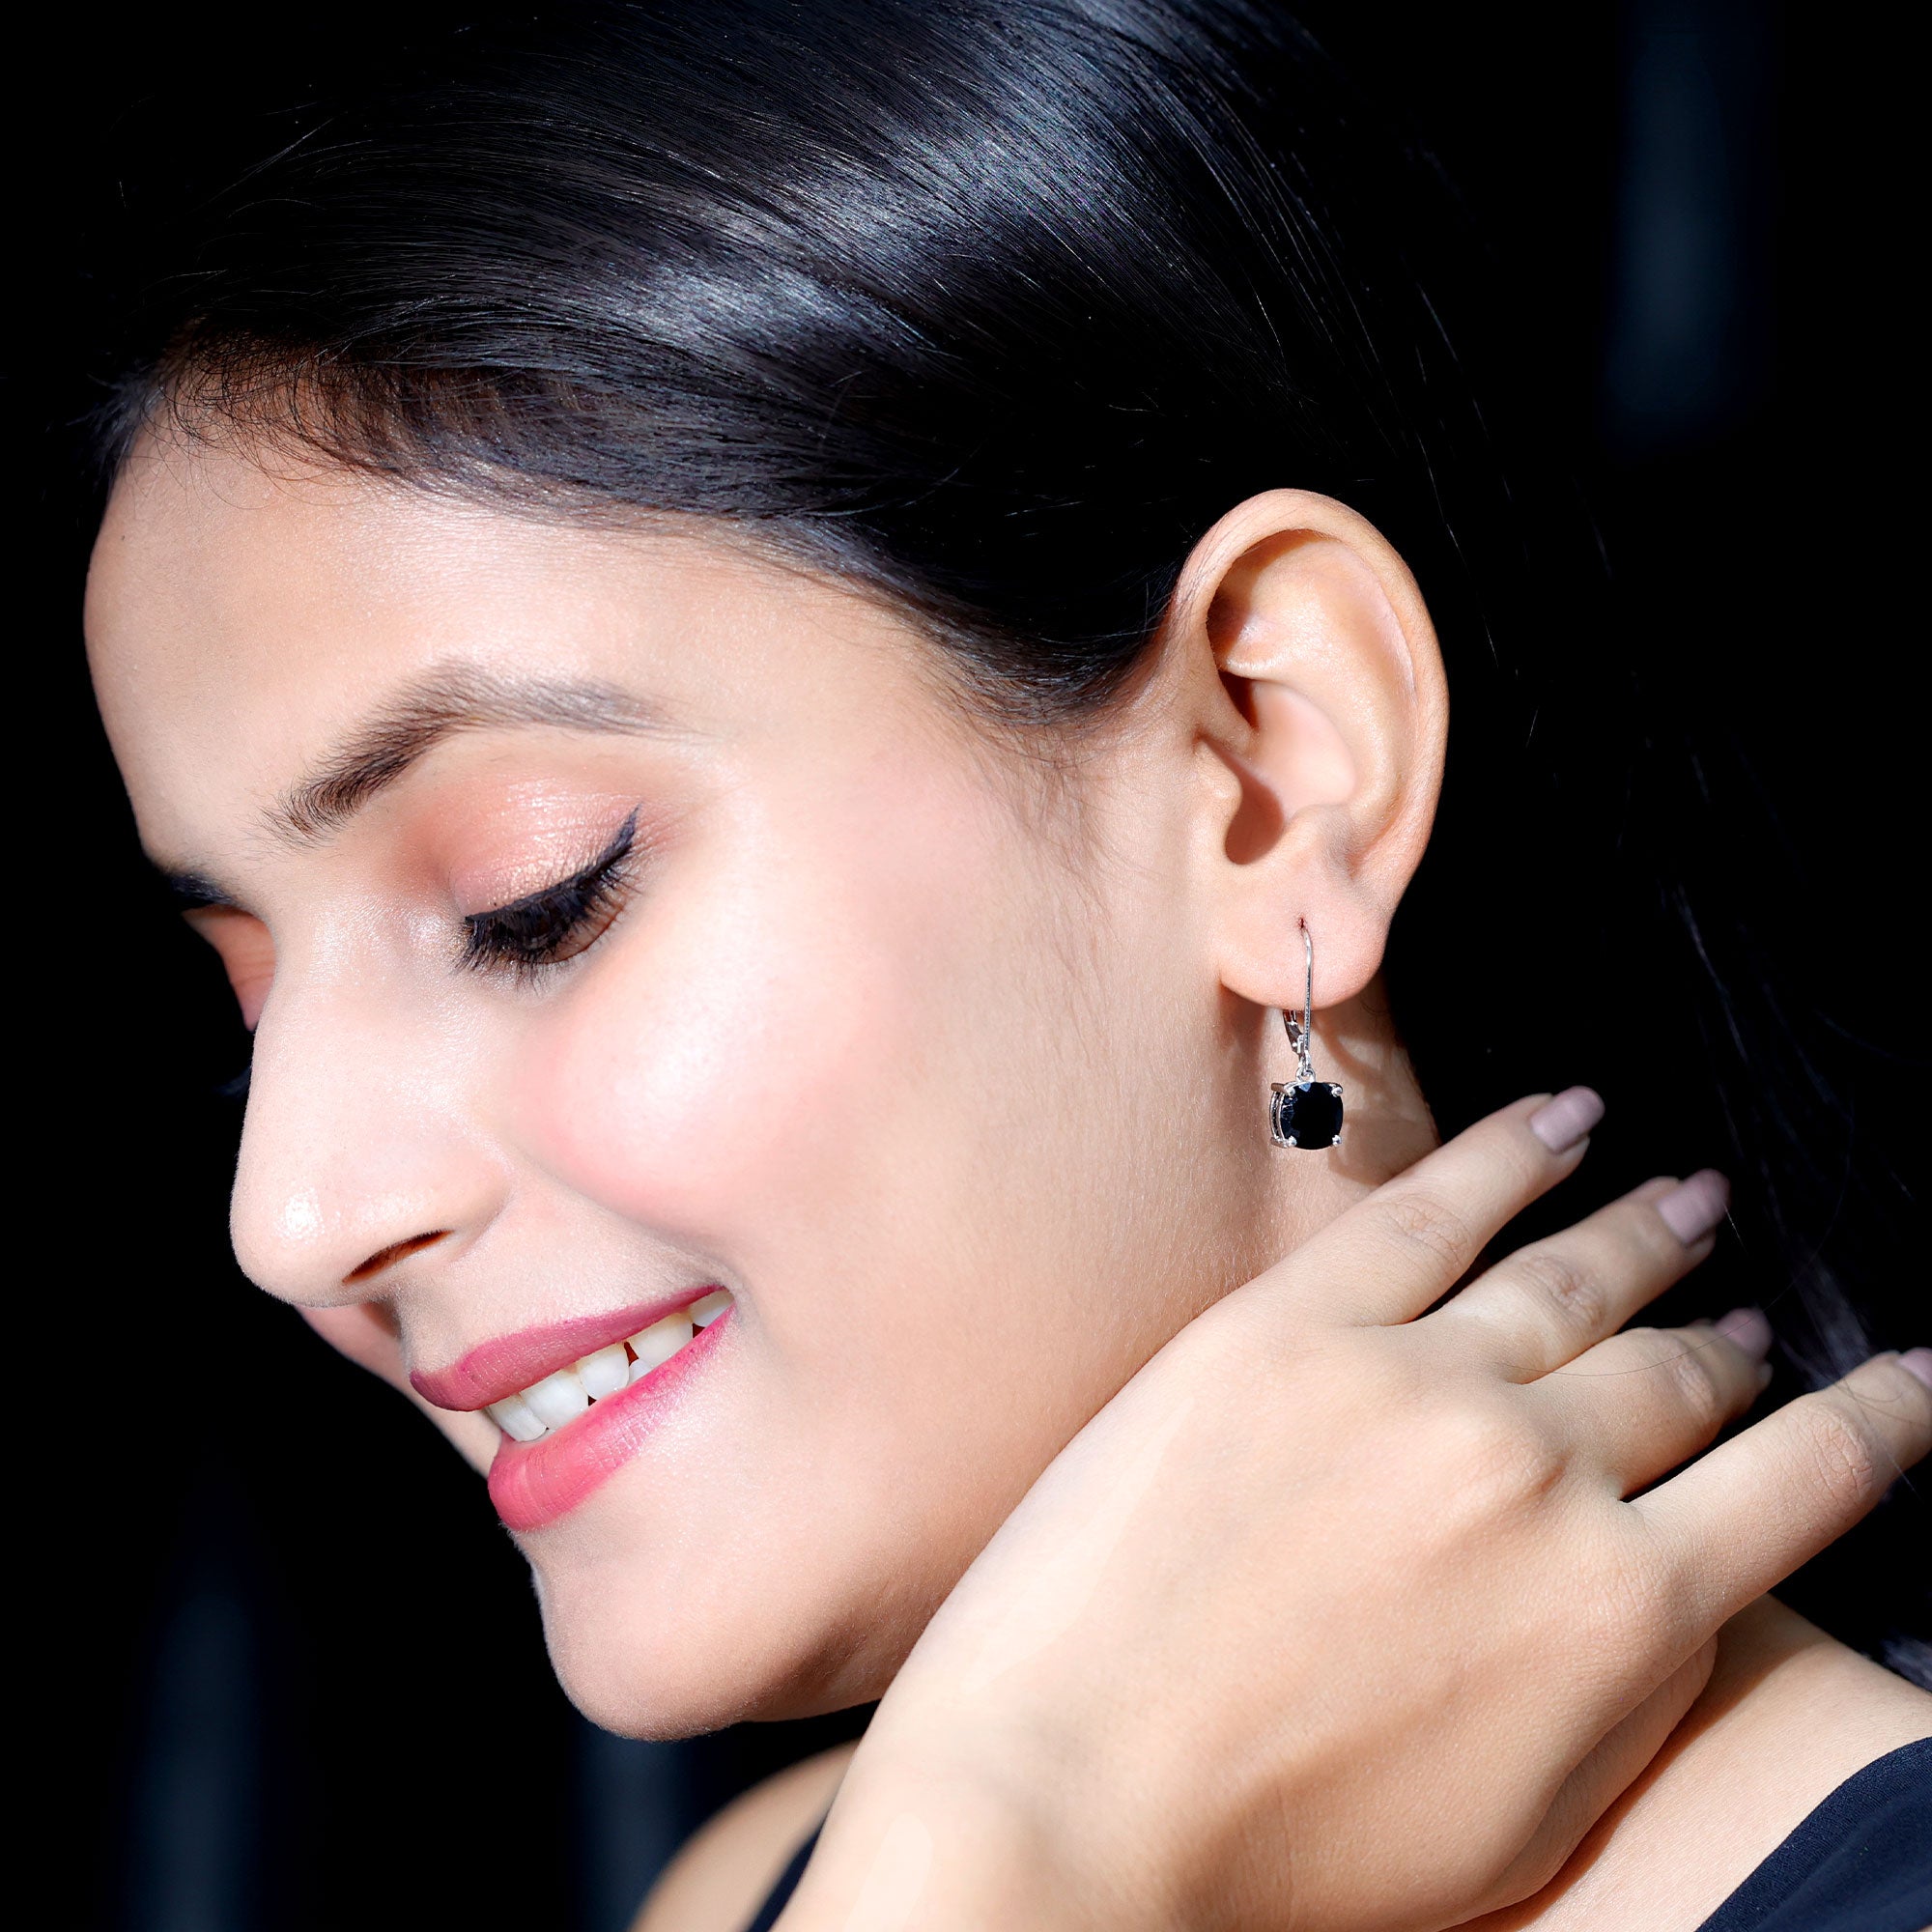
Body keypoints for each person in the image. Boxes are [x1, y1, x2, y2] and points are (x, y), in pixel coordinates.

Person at [81, 3, 1928, 1927]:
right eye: (249, 1004)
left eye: (533, 899)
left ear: (1270, 772)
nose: (289, 1218)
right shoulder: (792, 1883)